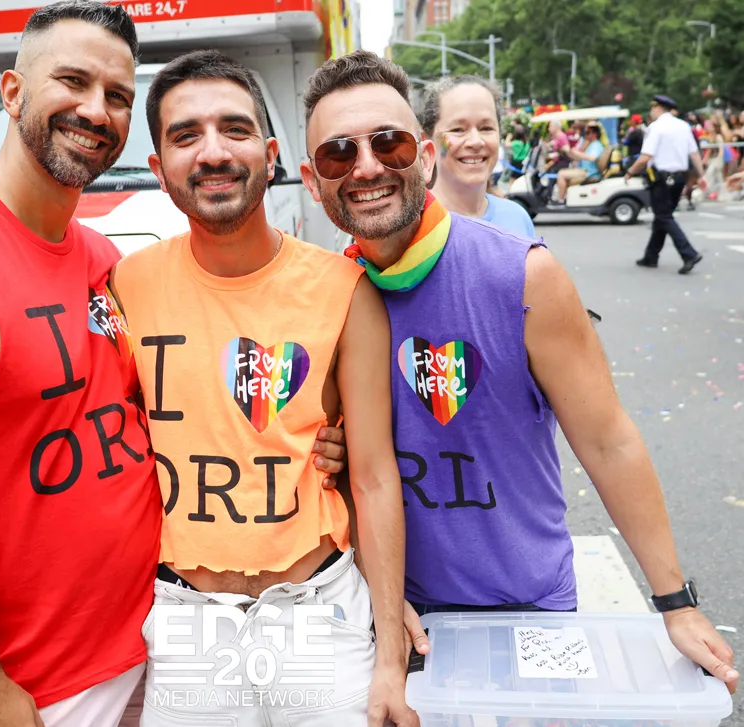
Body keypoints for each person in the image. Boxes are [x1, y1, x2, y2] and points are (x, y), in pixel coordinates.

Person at [0, 5, 345, 727]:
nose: (95, 110)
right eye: (72, 82)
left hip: (166, 636)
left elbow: (166, 411)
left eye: (116, 95)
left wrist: (323, 437)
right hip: (45, 682)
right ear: (13, 92)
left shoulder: (104, 260)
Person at [300, 50, 738, 695]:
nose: (366, 167)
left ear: (425, 157)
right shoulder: (325, 296)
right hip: (398, 613)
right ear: (313, 182)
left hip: (529, 605)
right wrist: (377, 593)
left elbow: (608, 441)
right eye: (339, 154)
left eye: (389, 144)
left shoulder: (523, 274)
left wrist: (676, 602)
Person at [113, 49, 413, 727]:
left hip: (317, 610)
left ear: (271, 155)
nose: (213, 152)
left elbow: (373, 477)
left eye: (235, 129)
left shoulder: (345, 290)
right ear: (159, 169)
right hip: (186, 618)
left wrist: (390, 656)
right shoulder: (126, 284)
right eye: (186, 135)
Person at [419, 75, 535, 237]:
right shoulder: (410, 225)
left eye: (486, 128)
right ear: (427, 143)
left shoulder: (517, 218)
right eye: (457, 130)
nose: (475, 142)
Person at [626, 94, 706, 274]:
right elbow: (694, 153)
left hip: (661, 179)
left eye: (652, 108)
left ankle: (689, 253)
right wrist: (701, 175)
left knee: (663, 216)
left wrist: (630, 171)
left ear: (657, 108)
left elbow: (645, 157)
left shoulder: (655, 128)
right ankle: (651, 256)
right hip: (679, 178)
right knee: (663, 216)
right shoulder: (683, 126)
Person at [554, 122, 605, 202]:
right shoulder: (590, 145)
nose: (586, 135)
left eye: (588, 132)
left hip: (589, 173)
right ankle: (565, 199)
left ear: (594, 133)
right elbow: (580, 157)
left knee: (561, 174)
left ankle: (560, 200)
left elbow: (592, 158)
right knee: (563, 174)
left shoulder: (596, 145)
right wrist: (569, 153)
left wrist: (577, 153)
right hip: (584, 170)